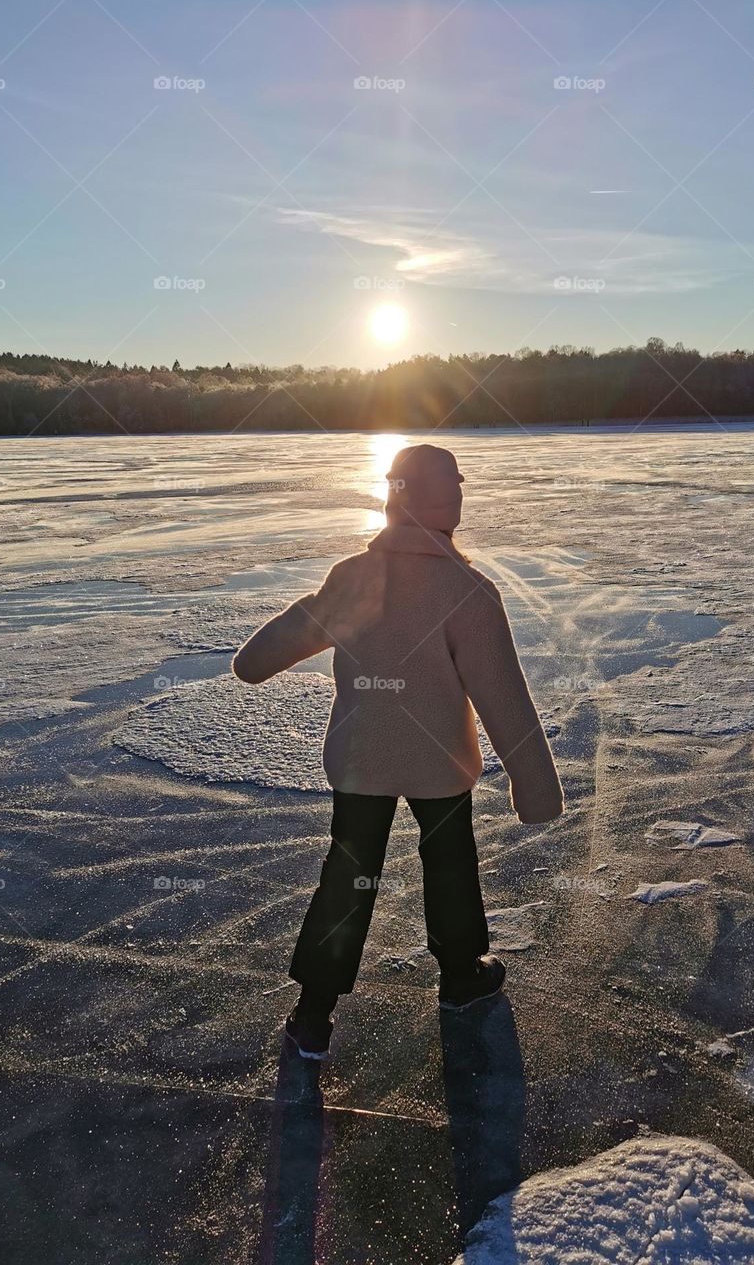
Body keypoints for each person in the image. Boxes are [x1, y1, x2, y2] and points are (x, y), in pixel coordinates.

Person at [233, 444, 563, 1060]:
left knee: (349, 877)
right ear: (448, 501)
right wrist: (536, 785)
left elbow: (278, 644)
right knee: (450, 866)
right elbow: (504, 698)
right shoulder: (467, 590)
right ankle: (462, 978)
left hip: (362, 763)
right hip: (440, 769)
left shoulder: (354, 577)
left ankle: (313, 1012)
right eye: (455, 488)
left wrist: (253, 659)